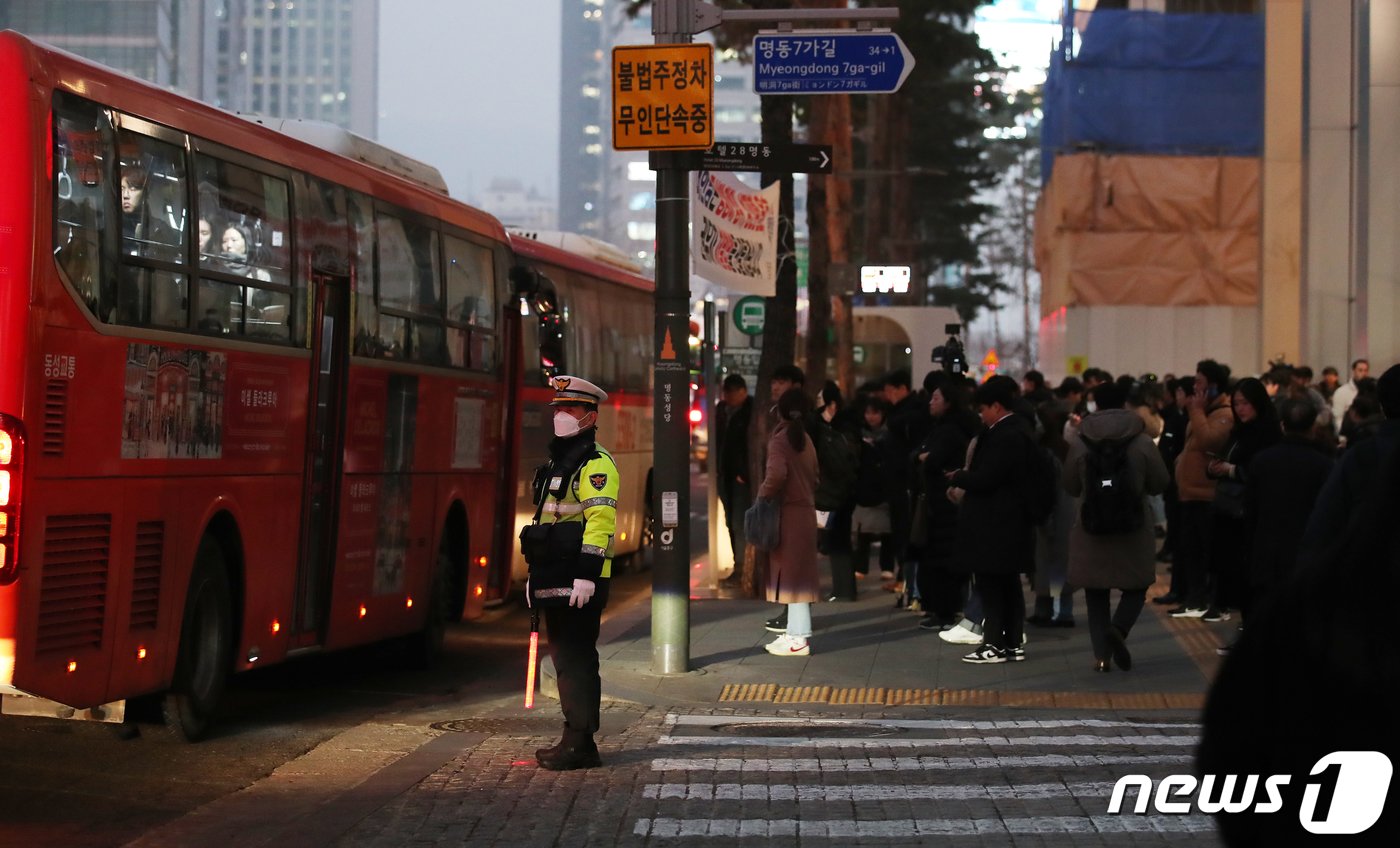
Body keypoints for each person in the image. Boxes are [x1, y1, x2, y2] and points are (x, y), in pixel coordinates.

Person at [527, 375, 620, 771]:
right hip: (556, 574)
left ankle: (581, 743)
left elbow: (601, 522)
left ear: (590, 416)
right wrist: (536, 576)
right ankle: (574, 736)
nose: (561, 415)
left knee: (577, 659)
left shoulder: (596, 464)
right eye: (558, 409)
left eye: (571, 409)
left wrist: (587, 573)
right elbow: (546, 519)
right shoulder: (559, 461)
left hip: (581, 579)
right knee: (564, 659)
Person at [1062, 381, 1169, 672]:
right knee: (1137, 585)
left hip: (1092, 525)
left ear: (1095, 402)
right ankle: (1118, 629)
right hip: (1132, 525)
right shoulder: (1142, 440)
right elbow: (1161, 482)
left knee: (1096, 592)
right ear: (1125, 403)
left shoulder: (1081, 441)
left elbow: (1070, 485)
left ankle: (1101, 658)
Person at [949, 375, 1038, 664]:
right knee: (1008, 584)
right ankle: (1011, 643)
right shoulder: (1020, 431)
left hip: (995, 524)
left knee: (992, 586)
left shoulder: (1005, 435)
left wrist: (961, 477)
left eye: (983, 408)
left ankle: (994, 645)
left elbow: (988, 478)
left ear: (997, 407)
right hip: (1009, 524)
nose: (981, 414)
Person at [1193, 377, 1280, 624]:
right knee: (1232, 573)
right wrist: (1215, 467)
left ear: (1258, 403)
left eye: (1245, 403)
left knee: (1246, 574)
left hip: (1247, 513)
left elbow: (1260, 471)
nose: (1240, 409)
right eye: (1237, 403)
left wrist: (1230, 470)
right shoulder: (1240, 431)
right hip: (1228, 510)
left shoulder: (1266, 432)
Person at [1169, 360, 1235, 618]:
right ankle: (1194, 598)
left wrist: (1195, 411)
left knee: (1208, 552)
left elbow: (1209, 440)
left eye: (1199, 382)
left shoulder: (1224, 414)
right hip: (1189, 494)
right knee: (1191, 550)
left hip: (1207, 495)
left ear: (1214, 386)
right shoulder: (1205, 412)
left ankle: (1212, 600)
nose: (1194, 387)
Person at [759, 388, 821, 657]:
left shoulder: (781, 440)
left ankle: (797, 638)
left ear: (781, 411)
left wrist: (763, 496)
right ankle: (794, 634)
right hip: (805, 513)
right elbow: (816, 476)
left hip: (788, 515)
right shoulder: (805, 439)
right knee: (800, 577)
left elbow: (776, 475)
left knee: (792, 579)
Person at [915, 373, 978, 631]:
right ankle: (942, 608)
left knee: (942, 560)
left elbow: (932, 460)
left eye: (936, 397)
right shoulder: (944, 428)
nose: (931, 402)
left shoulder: (950, 430)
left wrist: (924, 458)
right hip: (941, 504)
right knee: (939, 557)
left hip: (945, 505)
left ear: (949, 402)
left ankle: (945, 611)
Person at [715, 373, 753, 580]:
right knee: (730, 521)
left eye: (731, 392)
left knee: (740, 522)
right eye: (725, 392)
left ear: (742, 392)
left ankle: (742, 567)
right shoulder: (722, 411)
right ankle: (738, 564)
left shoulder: (750, 412)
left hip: (741, 478)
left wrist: (744, 473)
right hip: (725, 475)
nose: (727, 396)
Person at [1330, 358, 1369, 434]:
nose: (1363, 373)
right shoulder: (1341, 392)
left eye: (1366, 370)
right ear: (1354, 371)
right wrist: (1343, 437)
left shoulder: (1370, 391)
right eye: (1360, 370)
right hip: (1350, 433)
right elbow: (1338, 417)